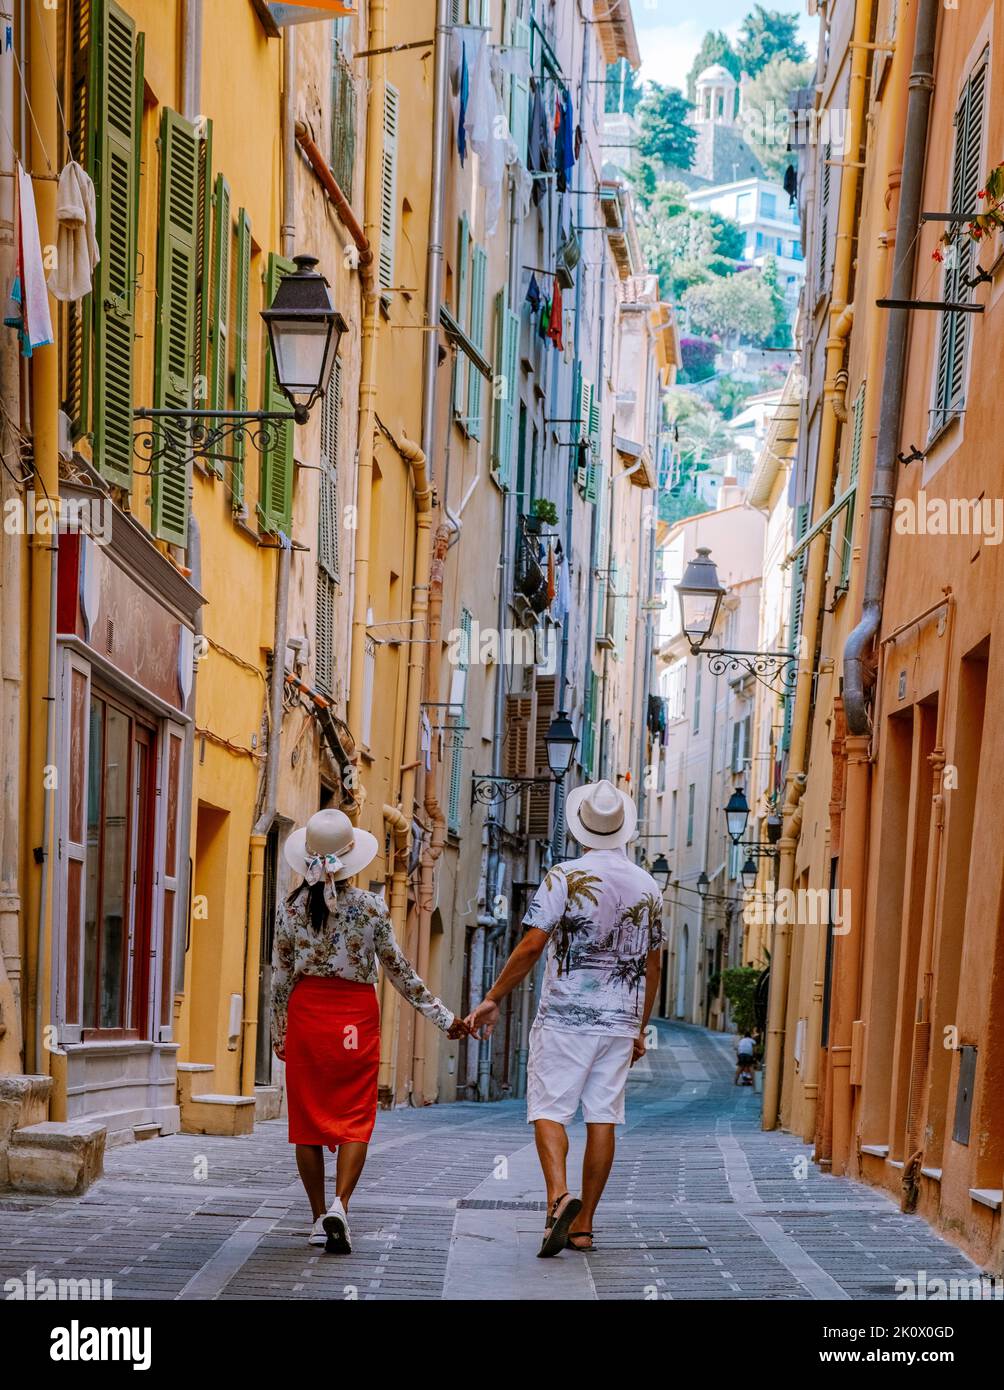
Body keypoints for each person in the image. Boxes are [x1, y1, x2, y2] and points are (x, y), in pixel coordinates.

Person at [466, 779, 663, 1257]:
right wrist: (639, 1028)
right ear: (623, 830)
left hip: (565, 1018)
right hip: (618, 1022)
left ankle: (558, 1198)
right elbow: (653, 965)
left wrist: (493, 996)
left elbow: (533, 944)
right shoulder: (649, 885)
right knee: (604, 1117)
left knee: (550, 1109)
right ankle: (584, 1227)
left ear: (582, 829)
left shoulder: (564, 876)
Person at [271, 808, 469, 1254]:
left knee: (307, 1124)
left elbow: (280, 977)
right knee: (354, 1117)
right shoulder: (372, 908)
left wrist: (279, 1032)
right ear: (351, 859)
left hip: (308, 1018)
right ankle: (342, 1204)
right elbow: (399, 972)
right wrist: (444, 1018)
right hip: (353, 1020)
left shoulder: (289, 910)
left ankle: (318, 1216)